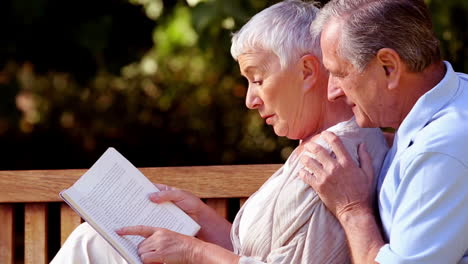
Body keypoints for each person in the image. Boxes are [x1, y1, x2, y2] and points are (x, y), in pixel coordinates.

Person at [51, 1, 388, 263]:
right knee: (95, 242)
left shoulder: (334, 160)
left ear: (307, 71)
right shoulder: (319, 146)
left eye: (257, 79)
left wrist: (193, 251)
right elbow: (259, 253)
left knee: (91, 246)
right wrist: (199, 216)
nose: (250, 100)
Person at [299, 0, 468, 263]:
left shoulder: (441, 151)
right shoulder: (457, 94)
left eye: (340, 73)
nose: (332, 92)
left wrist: (351, 209)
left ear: (388, 66)